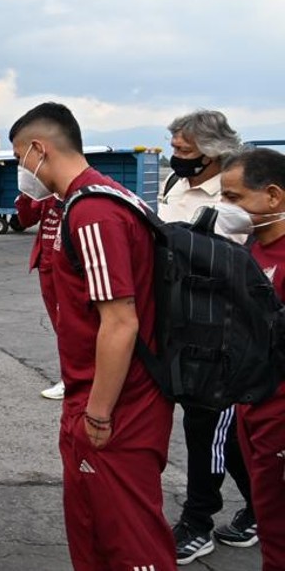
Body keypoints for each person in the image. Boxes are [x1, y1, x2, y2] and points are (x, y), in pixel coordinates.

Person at [9, 102, 175, 570]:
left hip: (117, 404)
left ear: (39, 149)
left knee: (129, 539)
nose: (22, 170)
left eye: (21, 157)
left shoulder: (94, 211)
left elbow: (120, 320)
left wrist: (99, 413)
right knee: (95, 530)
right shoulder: (79, 203)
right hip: (92, 394)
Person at [161, 111, 256, 563]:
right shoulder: (175, 186)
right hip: (182, 323)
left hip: (223, 333)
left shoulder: (238, 197)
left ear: (213, 151)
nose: (175, 157)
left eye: (184, 150)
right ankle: (264, 506)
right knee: (226, 435)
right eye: (174, 148)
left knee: (207, 428)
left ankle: (197, 521)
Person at [219, 148, 285, 571]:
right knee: (269, 518)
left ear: (273, 196)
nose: (226, 208)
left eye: (234, 198)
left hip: (278, 410)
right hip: (253, 405)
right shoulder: (248, 250)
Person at [13, 192, 66, 400]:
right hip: (46, 265)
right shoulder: (44, 191)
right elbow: (26, 220)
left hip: (64, 268)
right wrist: (25, 196)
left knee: (68, 326)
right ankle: (70, 377)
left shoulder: (71, 189)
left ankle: (72, 380)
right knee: (58, 325)